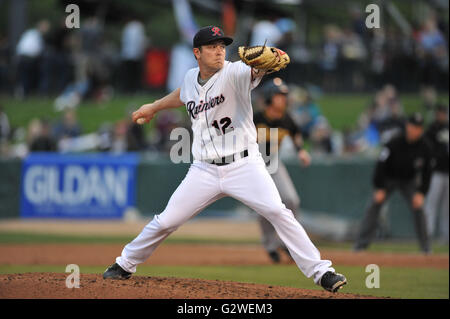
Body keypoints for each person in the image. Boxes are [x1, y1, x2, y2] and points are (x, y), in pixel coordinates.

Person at [102, 26, 347, 293]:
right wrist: (153, 107)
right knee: (166, 221)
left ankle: (323, 272)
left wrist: (270, 58)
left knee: (279, 212)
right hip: (203, 170)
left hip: (244, 165)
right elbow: (182, 95)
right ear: (197, 52)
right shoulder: (190, 77)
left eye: (222, 46)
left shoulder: (236, 72)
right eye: (212, 46)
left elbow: (266, 64)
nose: (220, 50)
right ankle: (124, 264)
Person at [354, 113, 433, 253]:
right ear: (408, 126)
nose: (414, 130)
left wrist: (421, 193)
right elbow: (380, 165)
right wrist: (379, 187)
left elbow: (427, 172)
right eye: (413, 126)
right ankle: (360, 246)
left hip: (409, 181)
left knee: (420, 209)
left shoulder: (425, 147)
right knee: (374, 206)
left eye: (418, 127)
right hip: (388, 178)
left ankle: (426, 249)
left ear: (421, 130)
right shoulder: (394, 142)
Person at [253, 78, 311, 263]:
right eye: (279, 96)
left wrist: (300, 150)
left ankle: (290, 242)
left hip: (274, 163)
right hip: (253, 166)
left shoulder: (287, 119)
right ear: (270, 98)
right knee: (264, 207)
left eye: (284, 96)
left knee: (291, 200)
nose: (284, 99)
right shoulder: (256, 118)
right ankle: (270, 246)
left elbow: (296, 135)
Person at [424, 105, 449, 244]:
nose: (441, 115)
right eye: (439, 113)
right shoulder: (432, 129)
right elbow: (427, 149)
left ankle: (446, 236)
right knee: (431, 204)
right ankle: (427, 235)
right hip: (436, 173)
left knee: (448, 207)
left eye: (443, 113)